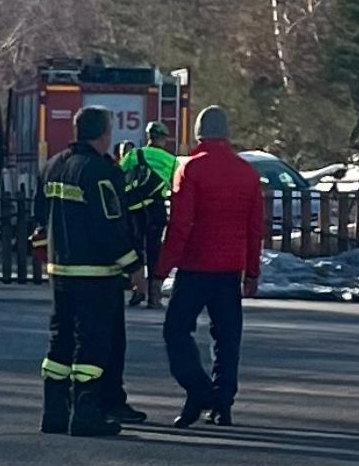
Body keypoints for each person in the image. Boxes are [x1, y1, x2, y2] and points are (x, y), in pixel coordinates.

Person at [36, 106, 144, 437]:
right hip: (96, 275)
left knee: (60, 342)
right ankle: (85, 413)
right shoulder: (100, 171)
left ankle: (54, 413)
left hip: (61, 273)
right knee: (93, 345)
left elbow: (40, 218)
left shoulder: (53, 166)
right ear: (103, 134)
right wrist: (134, 267)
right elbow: (109, 226)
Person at [153, 105, 264, 428]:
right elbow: (254, 229)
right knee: (227, 338)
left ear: (199, 134)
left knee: (176, 330)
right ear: (227, 134)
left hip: (195, 266)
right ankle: (222, 402)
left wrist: (161, 270)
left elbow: (180, 225)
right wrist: (252, 272)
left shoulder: (190, 170)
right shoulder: (246, 173)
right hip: (230, 269)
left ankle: (198, 389)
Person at [119, 122, 177, 308]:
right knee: (155, 251)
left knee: (135, 248)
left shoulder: (134, 155)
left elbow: (119, 176)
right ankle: (154, 295)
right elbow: (176, 186)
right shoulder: (171, 160)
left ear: (148, 137)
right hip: (156, 209)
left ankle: (138, 288)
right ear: (164, 139)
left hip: (134, 209)